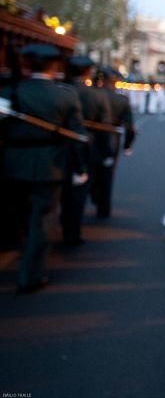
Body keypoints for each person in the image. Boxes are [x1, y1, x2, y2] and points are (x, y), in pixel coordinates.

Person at [0, 44, 88, 293]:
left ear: (27, 65)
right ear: (55, 66)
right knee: (42, 220)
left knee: (15, 216)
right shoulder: (67, 95)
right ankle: (30, 276)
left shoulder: (11, 91)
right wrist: (79, 168)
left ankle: (17, 255)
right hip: (50, 166)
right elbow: (77, 137)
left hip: (12, 164)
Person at [62, 56, 111, 241]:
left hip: (61, 146)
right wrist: (106, 153)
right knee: (78, 192)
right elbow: (104, 127)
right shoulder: (97, 95)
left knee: (63, 190)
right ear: (88, 71)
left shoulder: (62, 90)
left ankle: (65, 223)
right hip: (87, 145)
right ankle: (72, 233)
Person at [92, 66, 136, 217]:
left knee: (89, 171)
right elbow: (130, 127)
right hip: (111, 140)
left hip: (91, 139)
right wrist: (127, 145)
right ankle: (103, 207)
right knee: (107, 175)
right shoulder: (122, 100)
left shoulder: (92, 95)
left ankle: (93, 195)